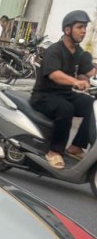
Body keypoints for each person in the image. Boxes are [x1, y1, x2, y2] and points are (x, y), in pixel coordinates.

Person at [30, 10, 96, 169]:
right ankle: (54, 151)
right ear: (68, 30)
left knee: (91, 105)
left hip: (65, 94)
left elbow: (89, 72)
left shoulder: (79, 53)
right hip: (44, 96)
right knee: (66, 108)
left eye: (85, 27)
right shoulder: (54, 50)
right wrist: (75, 81)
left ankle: (76, 147)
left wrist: (85, 78)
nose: (84, 31)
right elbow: (54, 74)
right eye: (80, 27)